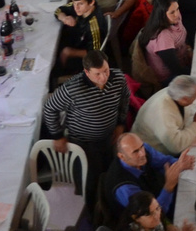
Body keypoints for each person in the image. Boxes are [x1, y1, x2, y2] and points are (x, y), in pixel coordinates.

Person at [42, 51, 130, 192]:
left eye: (106, 71)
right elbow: (49, 108)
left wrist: (121, 123)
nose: (104, 77)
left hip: (109, 139)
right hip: (83, 144)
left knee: (109, 177)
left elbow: (125, 98)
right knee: (88, 183)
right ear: (87, 72)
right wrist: (57, 135)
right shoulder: (72, 89)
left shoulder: (118, 78)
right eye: (98, 74)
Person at [100, 131, 192, 225]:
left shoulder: (143, 150)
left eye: (142, 146)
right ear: (122, 156)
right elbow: (152, 217)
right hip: (145, 224)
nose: (142, 153)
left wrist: (180, 164)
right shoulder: (124, 187)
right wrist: (168, 187)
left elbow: (165, 161)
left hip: (158, 194)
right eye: (135, 152)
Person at [133, 74, 196, 156]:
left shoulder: (175, 93)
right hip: (152, 152)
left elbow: (185, 111)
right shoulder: (163, 113)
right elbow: (176, 146)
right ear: (184, 99)